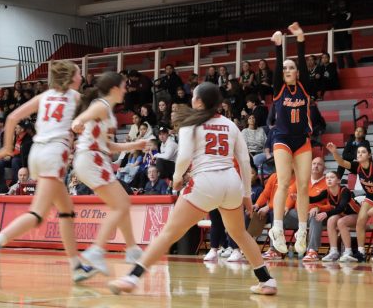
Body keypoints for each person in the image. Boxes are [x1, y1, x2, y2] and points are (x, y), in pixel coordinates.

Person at [108, 82, 278, 295]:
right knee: (240, 234)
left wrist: (178, 179)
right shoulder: (230, 124)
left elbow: (184, 156)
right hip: (231, 182)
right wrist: (245, 194)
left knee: (168, 233)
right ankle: (267, 281)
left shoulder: (191, 124)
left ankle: (132, 278)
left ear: (197, 101)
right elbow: (244, 161)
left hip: (206, 182)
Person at [0, 60, 97, 282]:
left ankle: (76, 266)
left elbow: (12, 117)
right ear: (71, 78)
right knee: (37, 214)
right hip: (54, 154)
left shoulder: (44, 96)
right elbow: (89, 122)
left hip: (36, 153)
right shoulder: (76, 98)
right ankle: (0, 239)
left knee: (66, 211)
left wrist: (6, 147)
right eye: (79, 73)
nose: (81, 77)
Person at [72, 71, 148, 275]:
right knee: (122, 204)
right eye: (124, 86)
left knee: (122, 202)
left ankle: (132, 249)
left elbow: (109, 145)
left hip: (94, 158)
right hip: (91, 159)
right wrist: (77, 123)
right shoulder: (102, 105)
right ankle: (95, 251)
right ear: (115, 88)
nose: (126, 89)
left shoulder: (106, 109)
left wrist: (135, 144)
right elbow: (81, 118)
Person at [267, 22, 313, 256]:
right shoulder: (278, 88)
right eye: (284, 67)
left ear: (297, 72)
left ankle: (302, 231)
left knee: (304, 186)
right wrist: (279, 46)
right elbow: (277, 67)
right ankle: (277, 229)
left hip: (302, 139)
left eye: (291, 67)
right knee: (284, 182)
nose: (287, 70)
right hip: (282, 139)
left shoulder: (304, 87)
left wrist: (300, 39)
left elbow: (303, 63)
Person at [327, 141, 373, 263]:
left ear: (369, 155)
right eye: (358, 152)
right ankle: (361, 252)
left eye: (363, 152)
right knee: (360, 222)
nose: (360, 154)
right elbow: (341, 162)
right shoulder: (357, 167)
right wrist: (334, 152)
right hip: (370, 197)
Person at [319, 171, 360, 262]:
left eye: (332, 177)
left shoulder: (344, 191)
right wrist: (299, 196)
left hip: (358, 215)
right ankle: (334, 251)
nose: (329, 179)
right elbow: (313, 199)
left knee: (341, 222)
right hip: (344, 216)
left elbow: (341, 208)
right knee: (331, 220)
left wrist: (326, 213)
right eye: (327, 178)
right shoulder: (327, 192)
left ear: (338, 181)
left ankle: (348, 251)